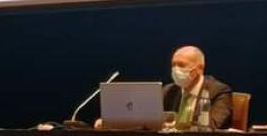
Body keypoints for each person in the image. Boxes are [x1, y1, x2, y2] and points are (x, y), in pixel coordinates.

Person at [94, 45, 234, 130]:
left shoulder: (219, 91)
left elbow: (212, 125)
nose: (175, 69)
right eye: (173, 65)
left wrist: (175, 125)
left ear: (200, 68)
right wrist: (111, 123)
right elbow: (143, 118)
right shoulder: (168, 90)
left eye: (181, 65)